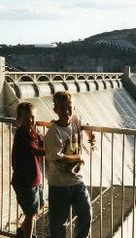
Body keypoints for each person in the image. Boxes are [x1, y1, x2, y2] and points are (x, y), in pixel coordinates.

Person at [44, 91, 95, 238]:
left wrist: (92, 138)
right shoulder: (53, 133)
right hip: (59, 184)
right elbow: (57, 157)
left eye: (69, 107)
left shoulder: (76, 120)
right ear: (55, 110)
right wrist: (77, 157)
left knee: (86, 214)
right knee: (58, 224)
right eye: (62, 108)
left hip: (77, 181)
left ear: (74, 107)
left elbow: (86, 126)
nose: (66, 111)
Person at [12, 102, 46, 238]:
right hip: (25, 181)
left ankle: (22, 230)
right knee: (31, 213)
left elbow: (41, 142)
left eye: (33, 117)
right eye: (27, 117)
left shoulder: (32, 132)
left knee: (41, 205)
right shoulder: (23, 134)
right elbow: (34, 150)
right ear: (19, 118)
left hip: (35, 179)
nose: (31, 120)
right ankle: (27, 235)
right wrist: (51, 152)